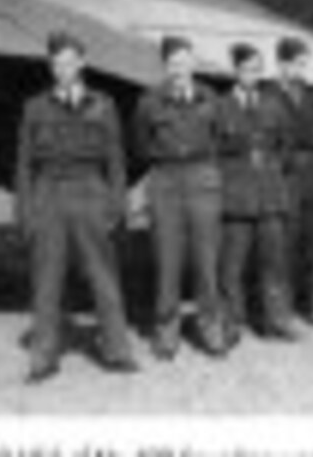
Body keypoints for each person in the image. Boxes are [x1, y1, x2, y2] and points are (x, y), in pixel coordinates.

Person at [14, 30, 138, 384]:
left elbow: (115, 160)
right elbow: (24, 165)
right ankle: (43, 358)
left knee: (103, 276)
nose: (64, 69)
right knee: (47, 280)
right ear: (50, 67)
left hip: (90, 192)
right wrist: (25, 212)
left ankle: (117, 350)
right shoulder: (35, 107)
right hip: (49, 195)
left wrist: (117, 204)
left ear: (82, 63)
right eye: (57, 64)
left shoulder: (103, 105)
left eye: (70, 62)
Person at [132, 36, 233, 360]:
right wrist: (166, 163)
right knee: (168, 259)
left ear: (194, 62)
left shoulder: (210, 98)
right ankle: (167, 330)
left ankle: (211, 326)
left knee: (206, 259)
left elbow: (221, 138)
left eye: (185, 61)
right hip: (166, 180)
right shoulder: (149, 102)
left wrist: (204, 168)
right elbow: (140, 144)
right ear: (165, 66)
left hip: (202, 179)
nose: (180, 68)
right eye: (173, 63)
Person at [217, 43, 301, 341]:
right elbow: (213, 151)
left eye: (256, 69)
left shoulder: (273, 105)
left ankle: (276, 320)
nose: (251, 75)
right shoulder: (221, 106)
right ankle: (231, 322)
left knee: (273, 263)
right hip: (236, 197)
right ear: (235, 71)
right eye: (245, 69)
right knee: (232, 265)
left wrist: (272, 168)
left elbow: (287, 147)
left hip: (269, 196)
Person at [266, 37, 313, 323]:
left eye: (305, 64)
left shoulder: (311, 95)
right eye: (298, 64)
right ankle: (281, 312)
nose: (302, 70)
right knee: (284, 245)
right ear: (282, 64)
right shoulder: (268, 95)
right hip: (284, 175)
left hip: (312, 173)